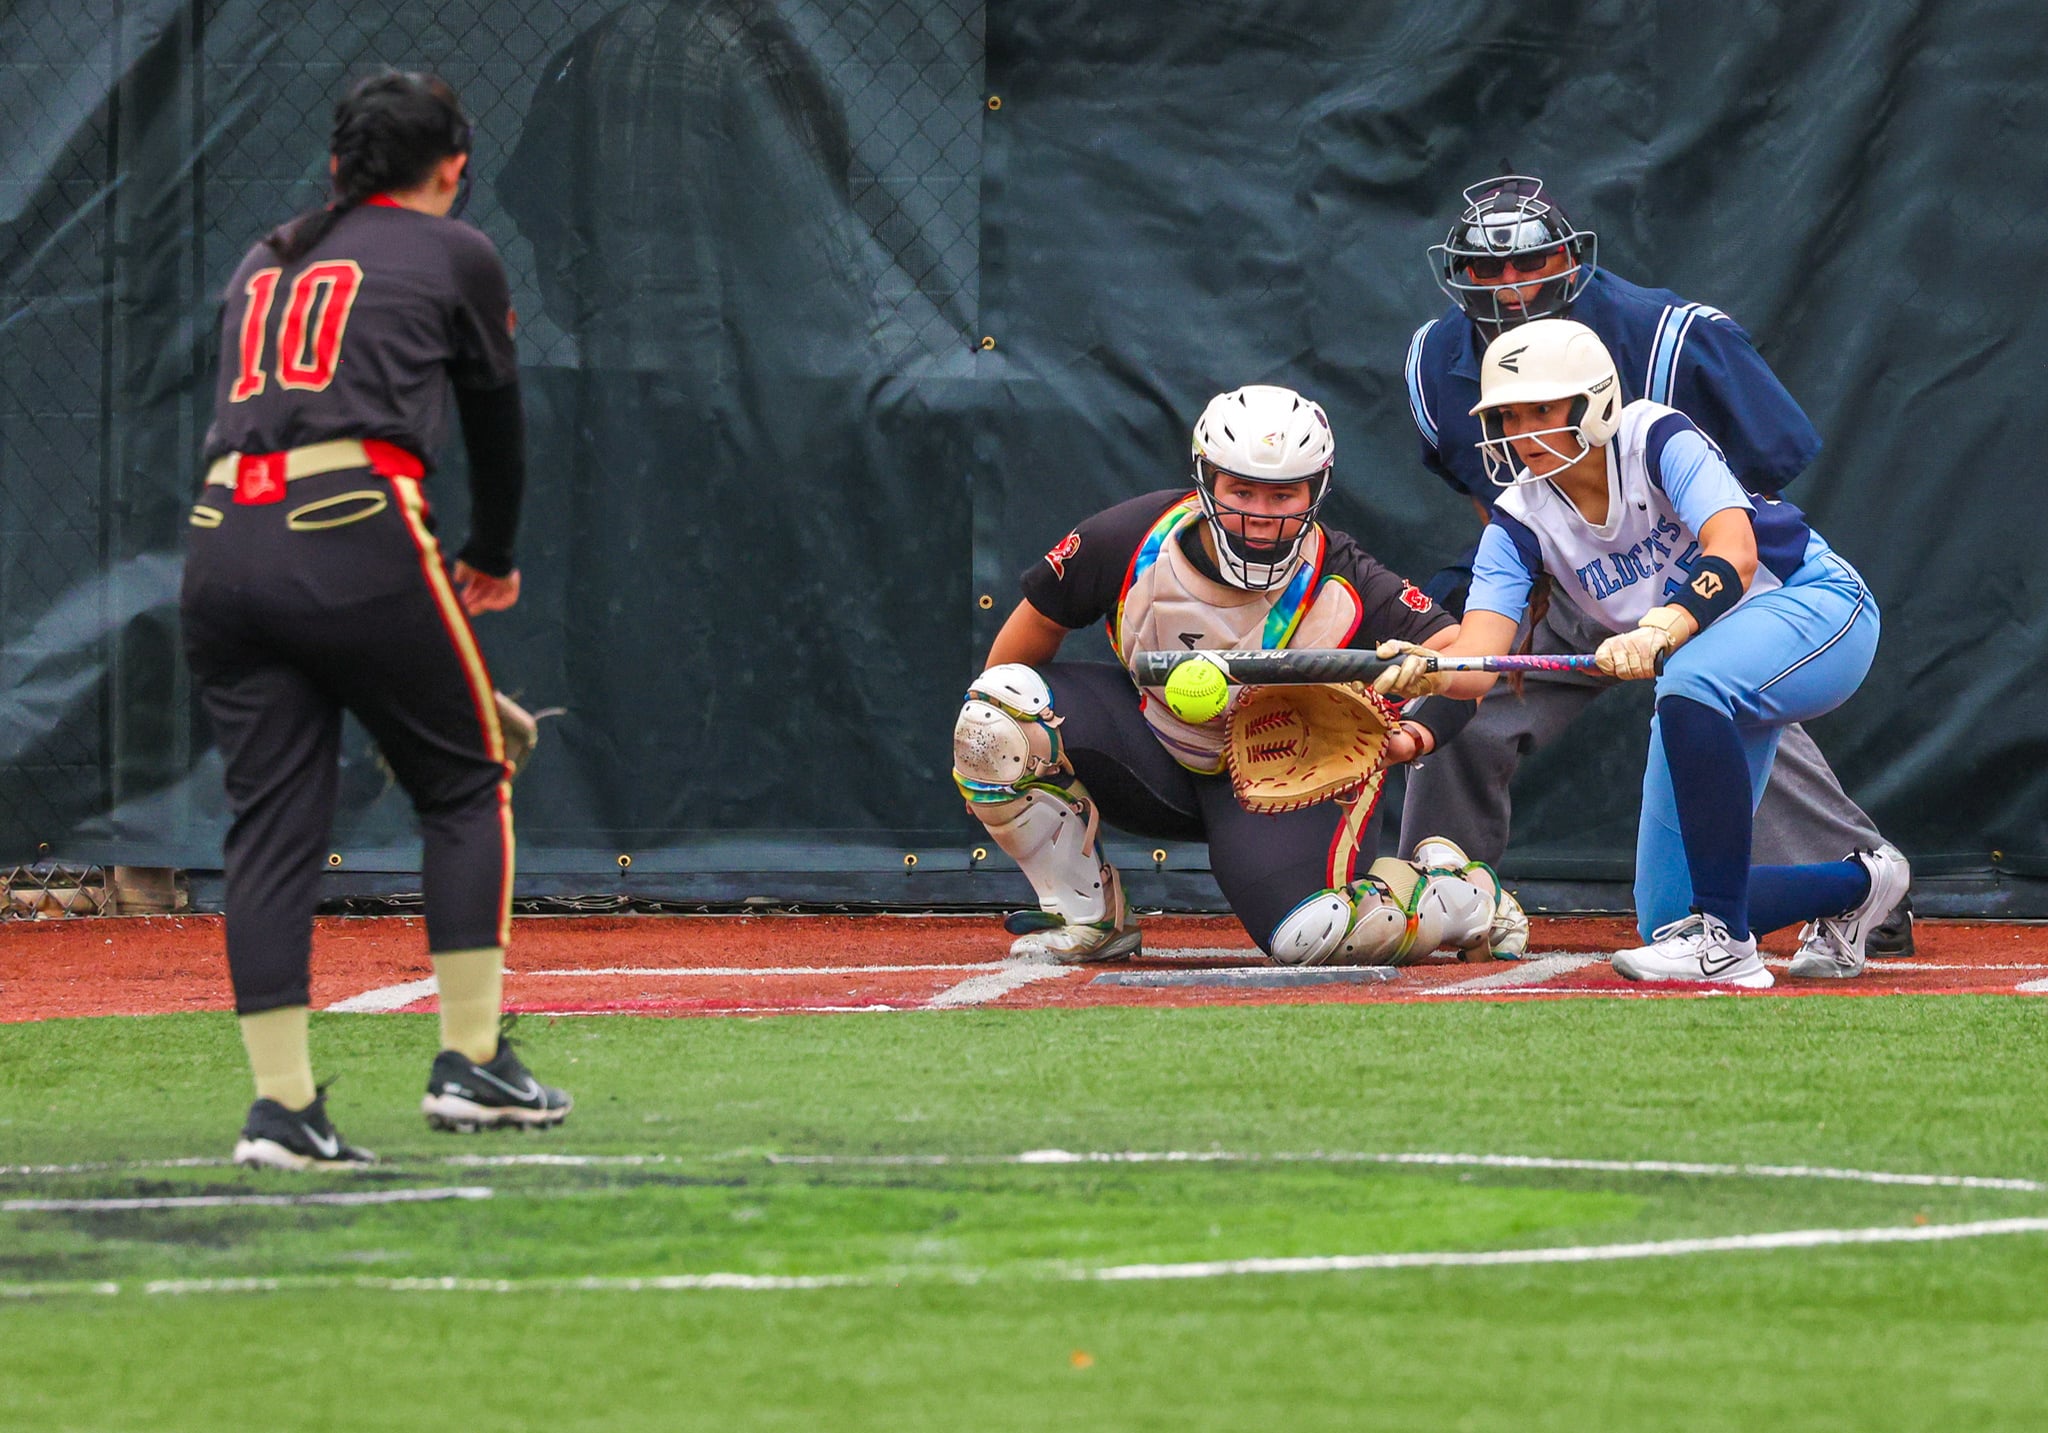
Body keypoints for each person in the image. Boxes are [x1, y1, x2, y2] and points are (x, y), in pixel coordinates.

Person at [181, 72, 570, 1170]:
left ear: (338, 166)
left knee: (268, 827)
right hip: (352, 518)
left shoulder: (265, 252)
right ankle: (473, 1062)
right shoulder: (455, 250)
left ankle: (282, 1109)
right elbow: (496, 426)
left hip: (220, 535)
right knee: (464, 777)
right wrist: (490, 556)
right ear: (451, 165)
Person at [1397, 174, 1913, 955]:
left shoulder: (1656, 425)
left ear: (1598, 397)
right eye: (1504, 416)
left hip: (1750, 588)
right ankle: (1858, 884)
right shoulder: (1511, 502)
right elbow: (1479, 649)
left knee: (1702, 679)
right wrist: (1425, 672)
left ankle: (1739, 937)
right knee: (1662, 913)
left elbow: (1738, 541)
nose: (1521, 433)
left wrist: (1671, 620)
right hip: (1588, 585)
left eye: (1545, 410)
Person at [954, 383, 1526, 968]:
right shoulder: (1127, 538)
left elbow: (1466, 669)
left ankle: (1461, 893)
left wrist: (1411, 736)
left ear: (1317, 490)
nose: (1259, 514)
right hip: (1153, 754)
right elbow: (1029, 638)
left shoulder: (1347, 575)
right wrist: (995, 761)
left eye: (1283, 495)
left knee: (1313, 937)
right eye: (1241, 490)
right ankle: (1085, 920)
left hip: (1288, 780)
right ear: (1206, 480)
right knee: (994, 713)